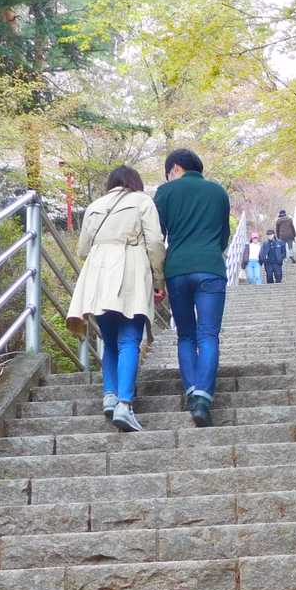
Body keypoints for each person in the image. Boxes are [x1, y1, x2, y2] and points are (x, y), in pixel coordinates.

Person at [66, 165, 165, 433]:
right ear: (135, 181)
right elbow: (155, 243)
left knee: (109, 341)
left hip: (98, 276)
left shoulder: (95, 206)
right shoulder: (142, 201)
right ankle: (124, 404)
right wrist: (159, 280)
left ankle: (109, 396)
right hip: (130, 272)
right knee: (129, 339)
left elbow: (82, 249)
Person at [153, 147, 230, 427]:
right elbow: (224, 237)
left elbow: (156, 236)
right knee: (208, 334)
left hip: (177, 269)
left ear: (175, 168)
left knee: (186, 335)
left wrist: (156, 278)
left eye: (168, 173)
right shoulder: (218, 192)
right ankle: (203, 399)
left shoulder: (165, 192)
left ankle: (191, 392)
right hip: (210, 267)